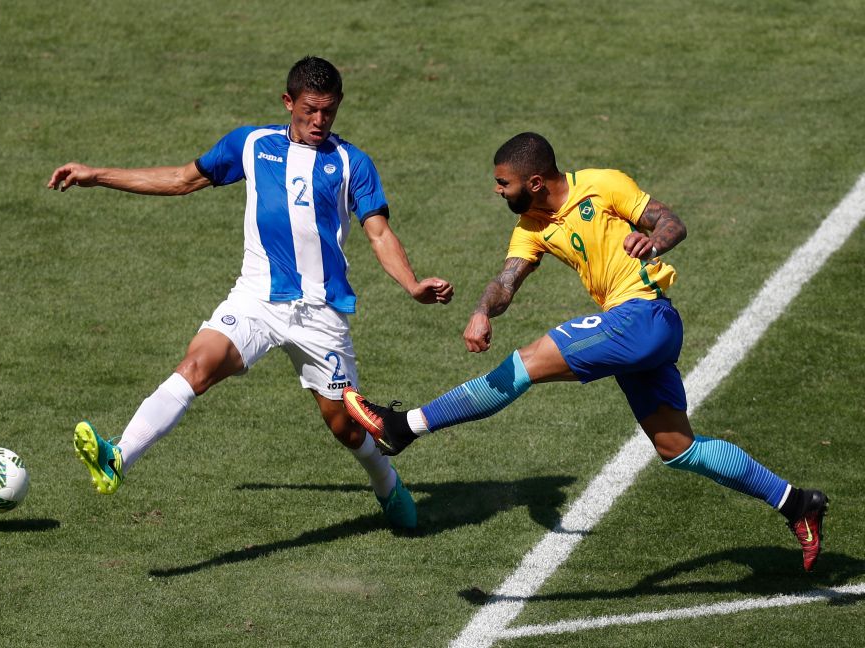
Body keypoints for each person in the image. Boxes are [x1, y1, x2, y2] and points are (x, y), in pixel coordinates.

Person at [344, 132, 828, 568]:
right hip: (640, 333)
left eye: (503, 183)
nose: (497, 191)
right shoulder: (533, 225)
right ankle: (795, 503)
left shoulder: (603, 184)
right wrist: (482, 310)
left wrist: (653, 241)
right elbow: (507, 281)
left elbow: (672, 222)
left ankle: (404, 427)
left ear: (534, 181)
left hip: (642, 316)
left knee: (527, 364)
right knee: (677, 448)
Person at [47, 56, 453, 530]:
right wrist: (97, 175)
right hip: (256, 299)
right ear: (288, 103)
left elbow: (378, 233)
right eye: (310, 110)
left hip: (321, 314)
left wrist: (412, 285)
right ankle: (119, 457)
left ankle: (387, 484)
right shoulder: (252, 145)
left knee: (345, 425)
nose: (320, 121)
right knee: (195, 365)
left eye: (329, 111)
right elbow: (182, 180)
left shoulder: (351, 163)